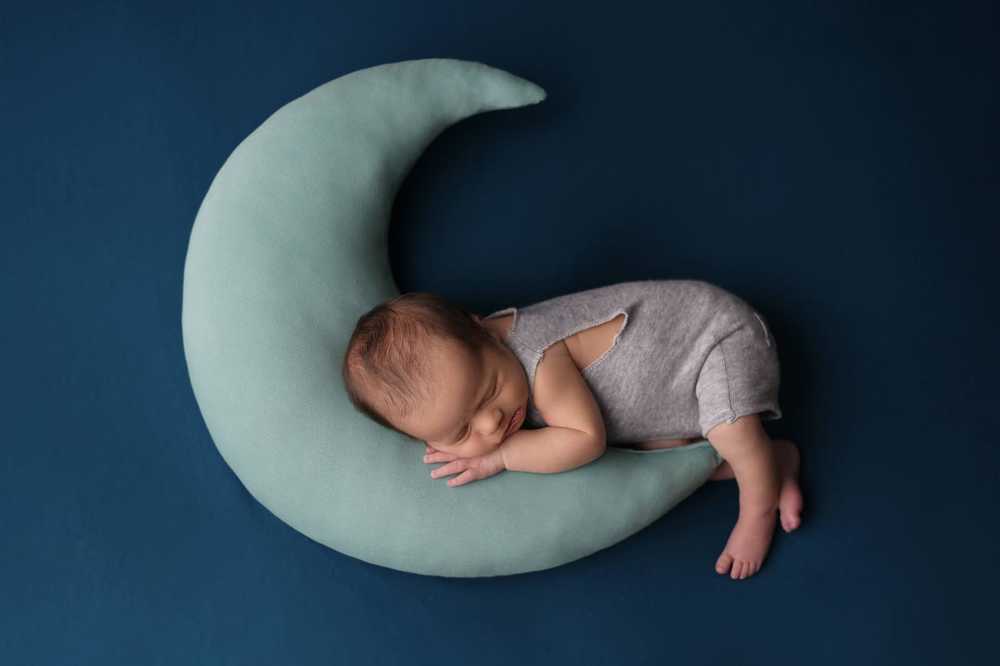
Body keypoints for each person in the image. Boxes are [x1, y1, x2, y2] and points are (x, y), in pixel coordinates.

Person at [342, 279, 803, 580]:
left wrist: (501, 456)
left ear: (484, 331)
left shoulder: (538, 356)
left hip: (714, 340)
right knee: (671, 458)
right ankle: (772, 463)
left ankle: (757, 510)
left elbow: (585, 440)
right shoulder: (478, 364)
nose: (491, 422)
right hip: (669, 400)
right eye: (461, 432)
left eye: (490, 390)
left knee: (730, 430)